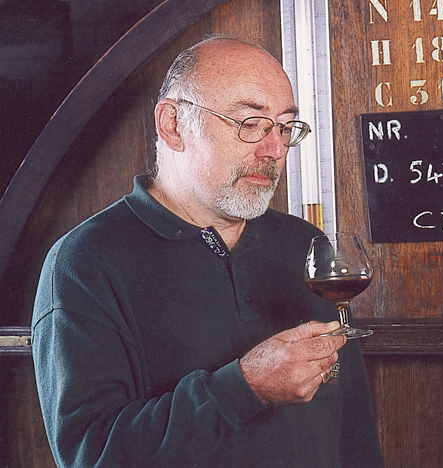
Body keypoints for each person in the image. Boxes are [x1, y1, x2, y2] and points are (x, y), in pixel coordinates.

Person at [31, 36, 384, 468]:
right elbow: (91, 455)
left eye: (285, 127)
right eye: (250, 123)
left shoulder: (304, 246)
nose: (274, 149)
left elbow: (354, 435)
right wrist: (244, 388)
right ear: (173, 124)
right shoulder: (83, 262)